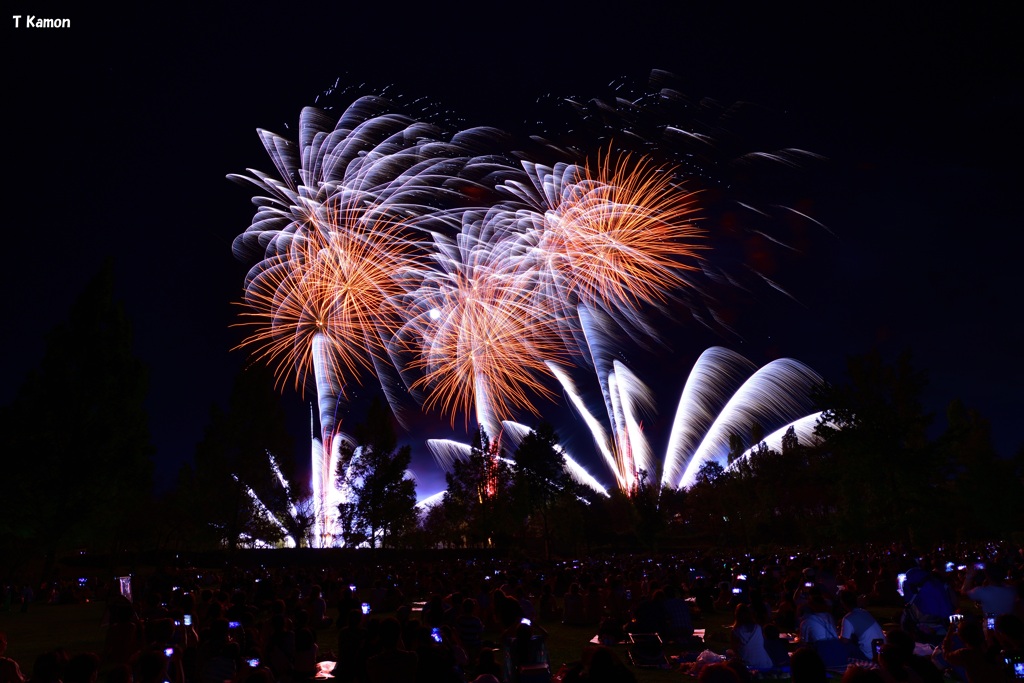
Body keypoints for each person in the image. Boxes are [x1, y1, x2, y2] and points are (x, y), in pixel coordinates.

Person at [838, 590, 885, 661]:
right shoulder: (864, 612)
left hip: (869, 656)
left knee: (845, 646)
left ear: (843, 603)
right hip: (881, 652)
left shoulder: (848, 618)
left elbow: (844, 641)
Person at [729, 604, 773, 671]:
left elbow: (735, 650)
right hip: (764, 664)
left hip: (747, 665)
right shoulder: (758, 628)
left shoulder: (735, 632)